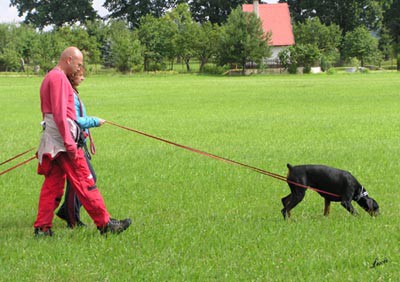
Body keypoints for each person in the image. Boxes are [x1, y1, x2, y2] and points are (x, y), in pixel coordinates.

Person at [34, 46, 131, 236]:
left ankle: (42, 228)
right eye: (78, 64)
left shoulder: (49, 77)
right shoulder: (60, 78)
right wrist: (70, 143)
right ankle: (105, 224)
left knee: (52, 186)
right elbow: (61, 114)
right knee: (86, 181)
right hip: (64, 141)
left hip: (51, 141)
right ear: (68, 60)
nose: (79, 69)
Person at [56, 66, 105, 228]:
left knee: (80, 180)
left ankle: (69, 212)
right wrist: (94, 121)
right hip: (72, 143)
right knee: (82, 180)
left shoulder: (73, 92)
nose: (83, 78)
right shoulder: (70, 94)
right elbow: (73, 119)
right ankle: (71, 216)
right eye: (81, 75)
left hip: (77, 141)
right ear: (73, 76)